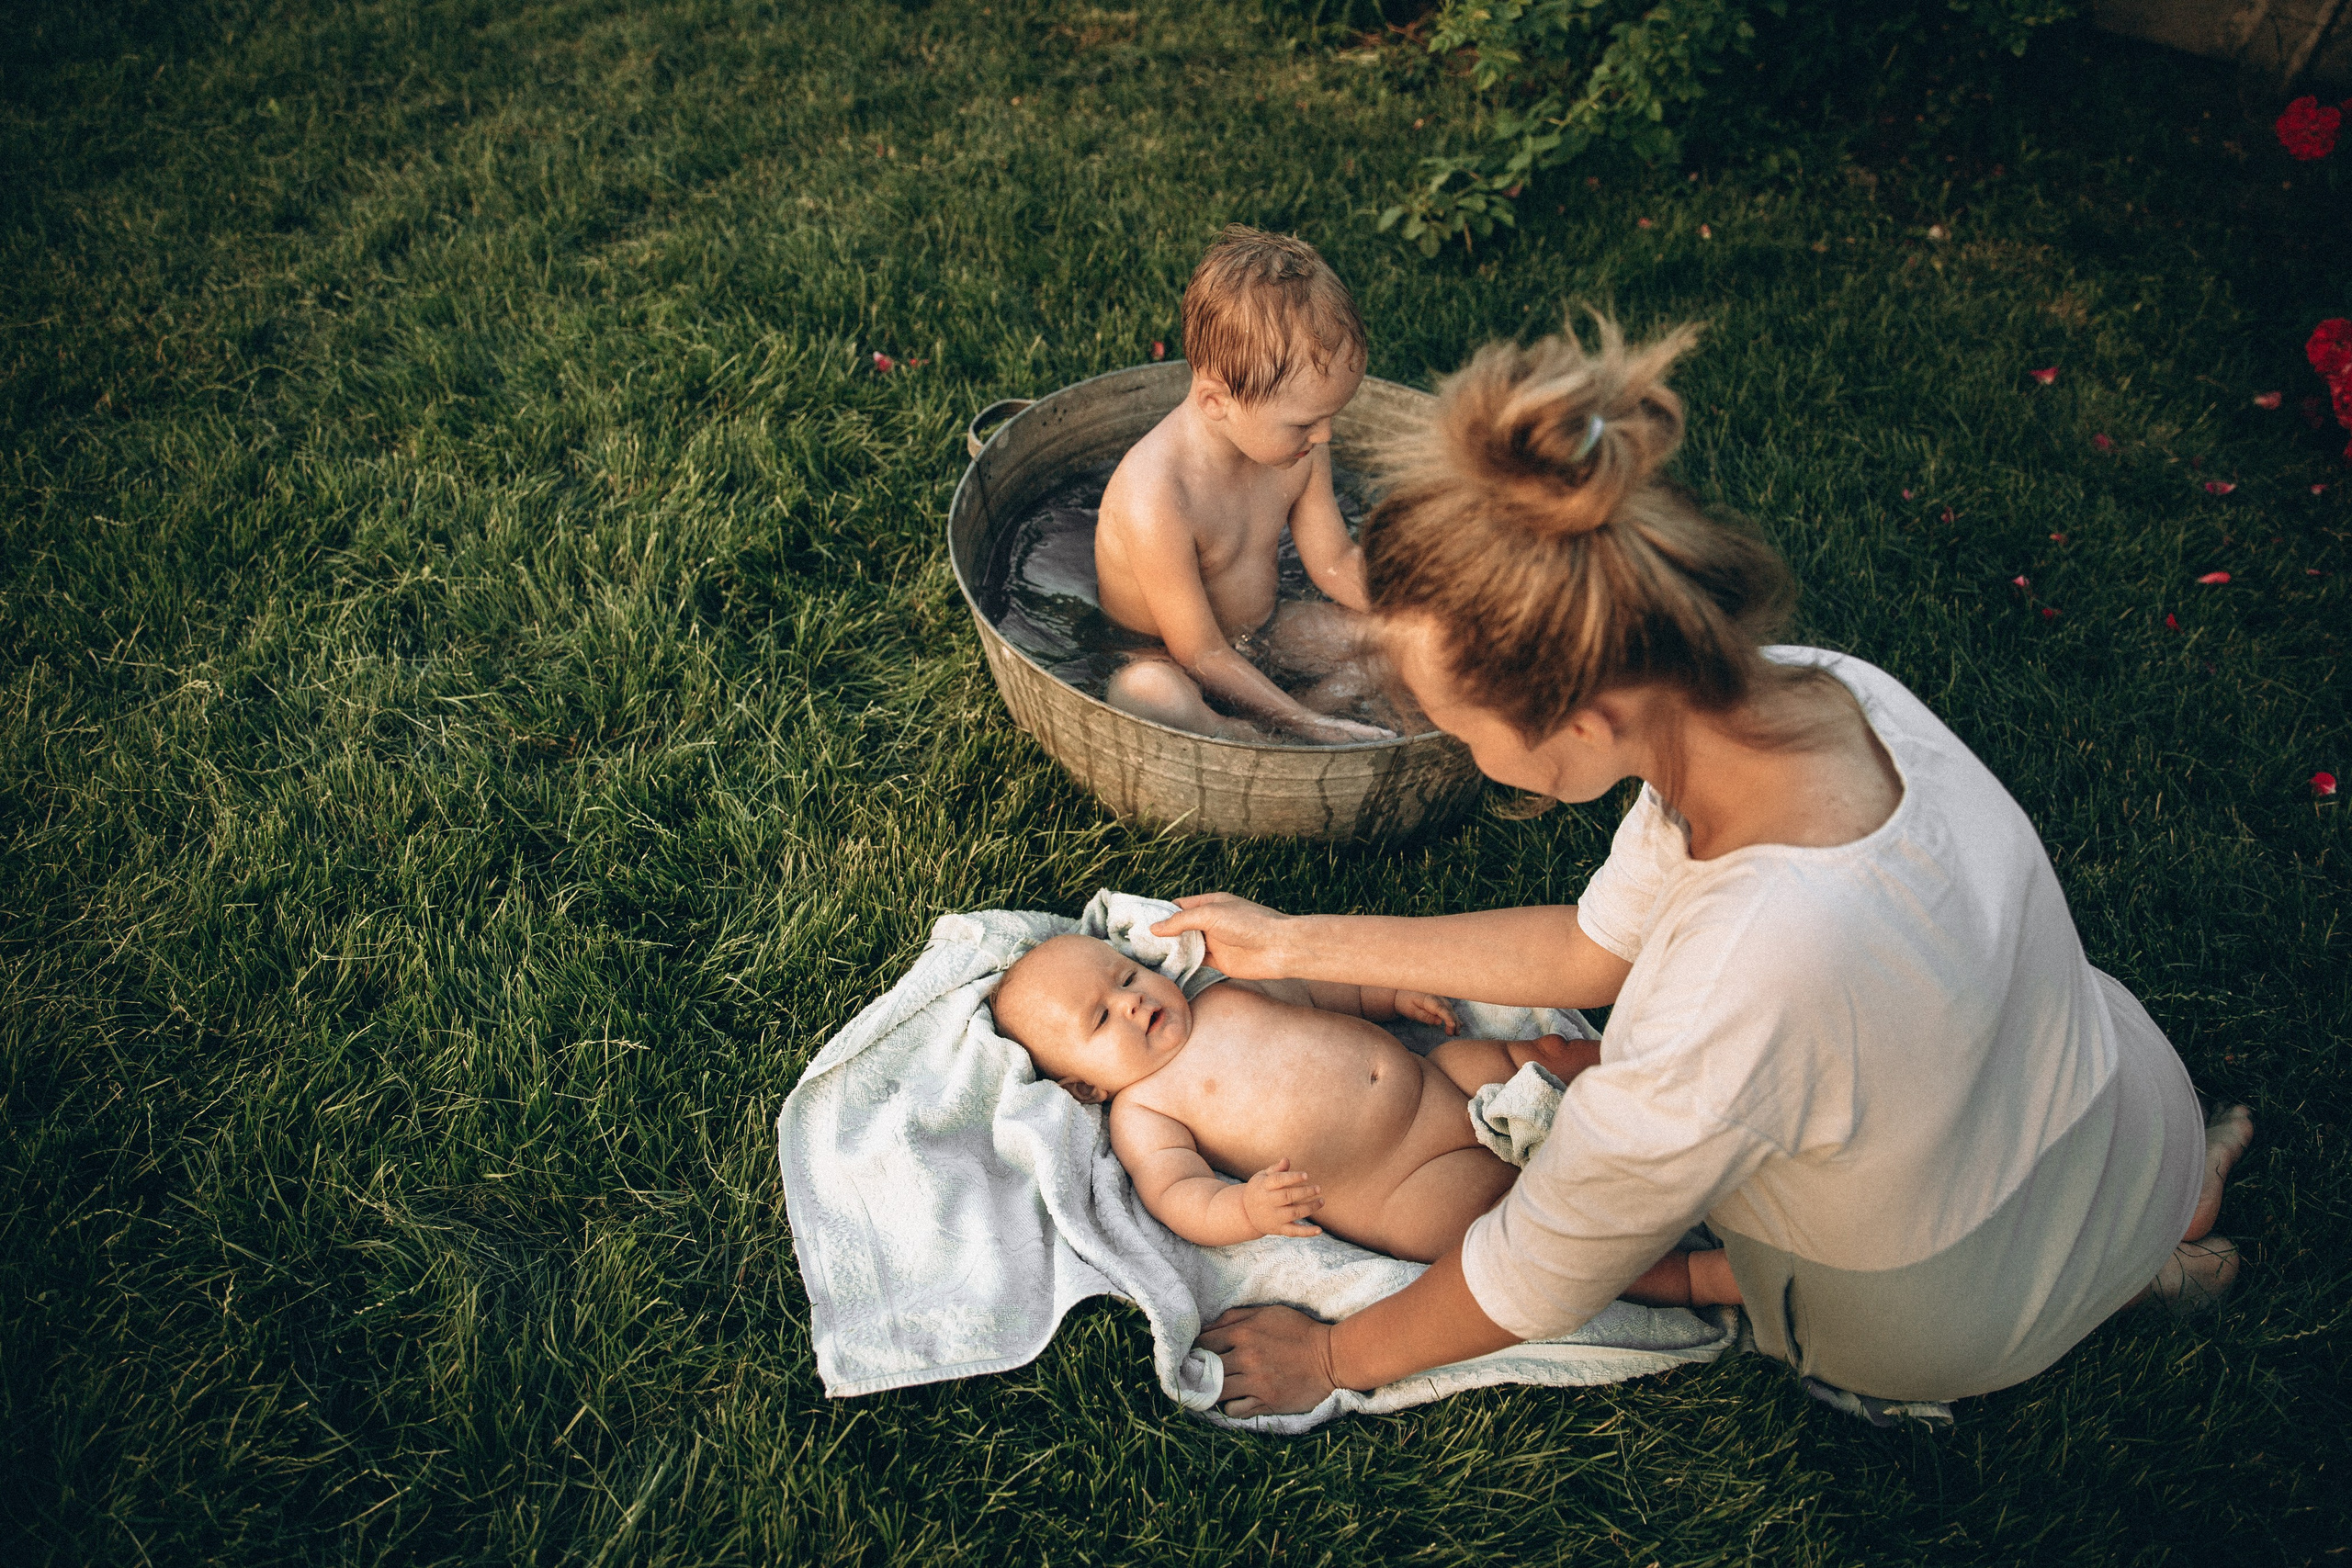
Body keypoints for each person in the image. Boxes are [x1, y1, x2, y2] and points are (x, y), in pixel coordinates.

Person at [1151, 316, 2256, 1418]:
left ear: (1582, 717)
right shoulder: (1819, 691)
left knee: (1769, 1244)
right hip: (2123, 1108)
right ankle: (2162, 1212)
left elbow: (1533, 1270)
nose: (1477, 764)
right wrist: (1297, 942)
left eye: (1462, 726)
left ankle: (2119, 1273)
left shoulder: (1743, 980)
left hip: (1942, 1309)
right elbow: (1590, 951)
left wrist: (1335, 1360)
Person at [989, 932, 1745, 1309]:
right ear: (1082, 1085)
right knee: (1543, 1246)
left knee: (1541, 1052)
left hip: (1438, 1078)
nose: (1132, 999)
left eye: (1127, 974)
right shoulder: (1144, 1109)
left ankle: (1672, 1069)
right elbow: (1175, 1192)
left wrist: (1391, 999)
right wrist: (1245, 1207)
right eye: (1101, 1016)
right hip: (1407, 1187)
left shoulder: (1219, 991)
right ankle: (1694, 1276)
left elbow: (1328, 993)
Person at [1094, 226, 1396, 744]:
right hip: (1174, 656)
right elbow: (1202, 654)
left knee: (1399, 639)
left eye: (1330, 417)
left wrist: (1428, 607)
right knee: (1142, 690)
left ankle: (1307, 714)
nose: (1325, 435)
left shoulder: (1299, 450)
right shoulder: (1156, 495)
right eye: (1305, 423)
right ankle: (1240, 730)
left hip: (1262, 631)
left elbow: (1335, 563)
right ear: (1217, 402)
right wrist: (1309, 726)